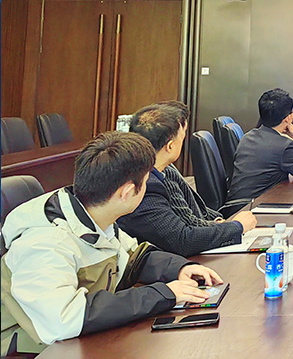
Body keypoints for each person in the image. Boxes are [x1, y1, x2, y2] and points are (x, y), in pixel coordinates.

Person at [0, 132, 223, 355]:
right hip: (31, 351)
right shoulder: (44, 244)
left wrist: (179, 268)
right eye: (146, 182)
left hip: (75, 343)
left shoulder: (94, 212)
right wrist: (163, 294)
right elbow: (66, 319)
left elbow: (133, 257)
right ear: (127, 192)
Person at [118, 103, 257, 256]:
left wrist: (219, 224)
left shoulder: (160, 170)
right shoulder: (144, 184)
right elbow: (182, 240)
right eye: (182, 137)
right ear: (170, 146)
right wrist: (237, 227)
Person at [227, 88, 293, 201]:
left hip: (236, 205)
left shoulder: (247, 137)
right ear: (289, 117)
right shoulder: (283, 146)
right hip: (255, 206)